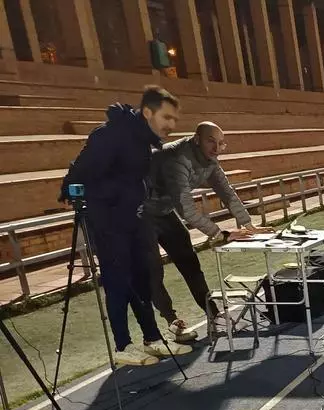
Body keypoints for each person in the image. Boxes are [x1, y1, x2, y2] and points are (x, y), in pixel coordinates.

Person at [60, 85, 191, 366]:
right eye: (167, 117)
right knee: (118, 281)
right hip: (107, 221)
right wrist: (111, 201)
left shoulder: (141, 139)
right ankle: (122, 345)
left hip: (132, 217)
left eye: (174, 119)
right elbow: (81, 173)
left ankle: (152, 338)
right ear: (148, 113)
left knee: (142, 278)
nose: (171, 125)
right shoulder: (111, 134)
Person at [142, 121, 269, 341]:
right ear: (196, 139)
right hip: (139, 212)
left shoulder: (209, 159)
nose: (216, 148)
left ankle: (213, 314)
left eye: (221, 143)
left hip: (164, 210)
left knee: (190, 261)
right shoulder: (177, 158)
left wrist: (249, 225)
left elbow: (226, 191)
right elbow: (187, 209)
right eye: (211, 141)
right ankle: (172, 321)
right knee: (153, 270)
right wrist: (220, 233)